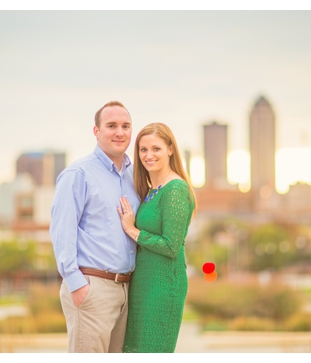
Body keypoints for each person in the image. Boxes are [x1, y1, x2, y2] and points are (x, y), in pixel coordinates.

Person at [51, 101, 140, 353]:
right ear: (96, 131)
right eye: (111, 125)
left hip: (125, 289)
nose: (119, 132)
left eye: (125, 126)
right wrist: (76, 284)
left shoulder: (135, 176)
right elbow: (62, 231)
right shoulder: (78, 174)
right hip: (93, 287)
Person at [118, 122, 196, 353]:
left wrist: (133, 230)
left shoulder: (175, 190)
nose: (148, 155)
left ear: (170, 149)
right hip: (143, 284)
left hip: (163, 286)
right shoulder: (153, 190)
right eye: (143, 150)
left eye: (156, 149)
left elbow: (171, 246)